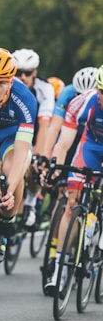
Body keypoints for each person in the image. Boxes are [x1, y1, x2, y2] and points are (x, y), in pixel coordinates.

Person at [43, 65, 103, 295]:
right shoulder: (83, 102)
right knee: (71, 203)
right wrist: (56, 167)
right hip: (90, 147)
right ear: (98, 89)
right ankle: (59, 270)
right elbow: (64, 142)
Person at [0, 48, 37, 264]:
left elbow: (22, 153)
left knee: (13, 171)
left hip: (9, 139)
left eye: (1, 83)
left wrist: (10, 190)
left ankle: (2, 228)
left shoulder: (25, 99)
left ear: (10, 83)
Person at [12, 48, 55, 227]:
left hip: (35, 130)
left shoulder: (45, 89)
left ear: (35, 73)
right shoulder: (7, 84)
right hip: (13, 129)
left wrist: (40, 154)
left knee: (35, 165)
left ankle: (29, 203)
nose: (22, 77)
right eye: (18, 72)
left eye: (27, 73)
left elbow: (45, 125)